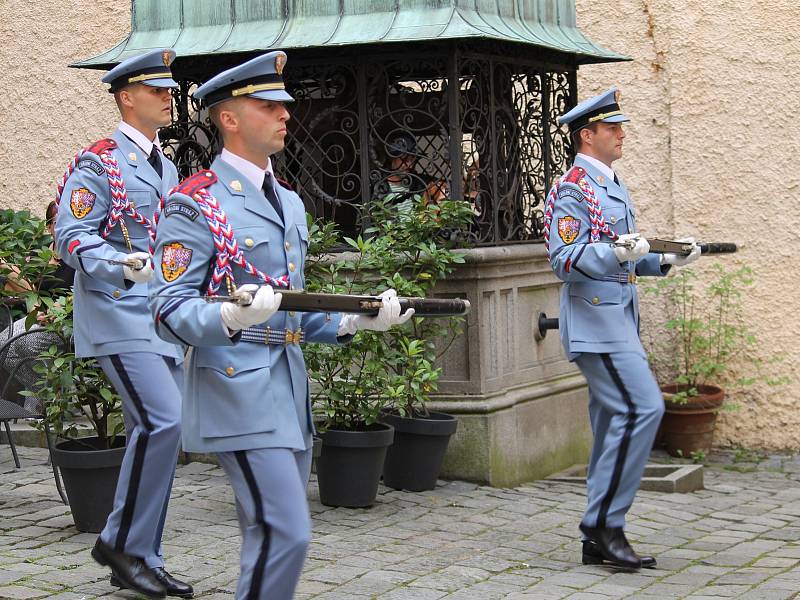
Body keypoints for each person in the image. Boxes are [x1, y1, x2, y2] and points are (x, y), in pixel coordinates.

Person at [149, 50, 413, 600]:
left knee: (267, 535)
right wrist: (227, 314)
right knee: (285, 532)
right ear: (229, 117)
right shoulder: (196, 203)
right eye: (269, 105)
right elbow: (167, 308)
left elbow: (292, 310)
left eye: (284, 105)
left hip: (289, 392)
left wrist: (354, 323)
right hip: (236, 389)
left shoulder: (289, 203)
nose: (285, 115)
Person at [544, 87, 700, 570]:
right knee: (643, 408)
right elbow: (564, 258)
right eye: (612, 128)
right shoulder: (574, 187)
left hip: (617, 320)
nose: (622, 133)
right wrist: (618, 252)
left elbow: (626, 256)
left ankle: (599, 535)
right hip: (596, 322)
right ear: (586, 135)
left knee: (616, 422)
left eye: (620, 126)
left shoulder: (611, 183)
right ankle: (604, 525)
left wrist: (664, 259)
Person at [53, 49, 191, 599]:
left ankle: (140, 556)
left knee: (160, 430)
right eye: (156, 90)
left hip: (161, 317)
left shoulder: (167, 165)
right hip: (117, 310)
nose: (168, 97)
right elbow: (71, 232)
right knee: (164, 420)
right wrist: (117, 262)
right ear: (126, 96)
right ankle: (122, 545)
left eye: (169, 90)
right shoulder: (100, 162)